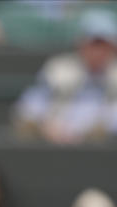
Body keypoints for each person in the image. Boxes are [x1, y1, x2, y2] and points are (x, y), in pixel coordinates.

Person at [13, 8, 117, 144]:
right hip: (54, 147)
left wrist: (87, 131)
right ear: (81, 44)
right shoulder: (59, 69)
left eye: (103, 45)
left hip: (103, 154)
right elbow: (28, 106)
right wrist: (46, 125)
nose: (97, 51)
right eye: (93, 44)